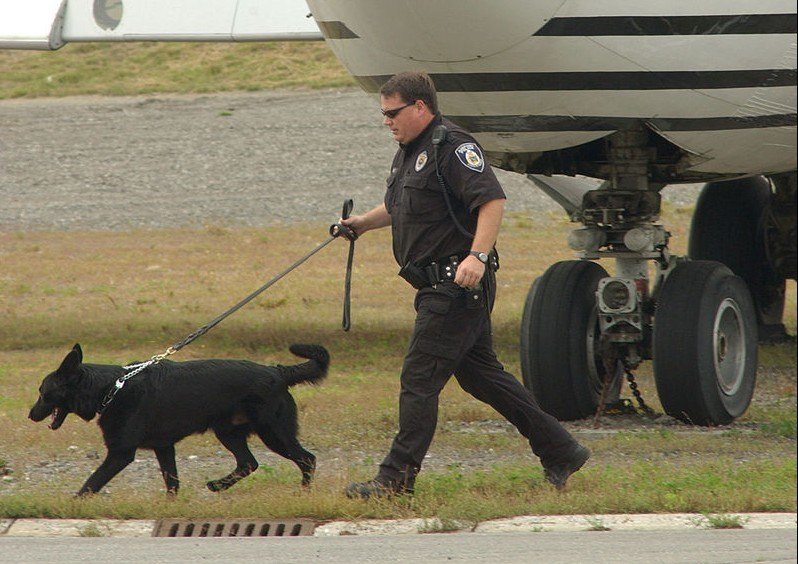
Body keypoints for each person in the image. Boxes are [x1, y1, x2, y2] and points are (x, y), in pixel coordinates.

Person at [341, 71, 590, 499]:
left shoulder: (453, 146)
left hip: (456, 284)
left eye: (392, 112)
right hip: (437, 284)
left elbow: (491, 200)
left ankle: (395, 480)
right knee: (482, 377)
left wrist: (476, 256)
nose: (386, 121)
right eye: (383, 113)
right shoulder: (410, 150)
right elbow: (401, 202)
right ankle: (561, 449)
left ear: (420, 107)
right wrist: (362, 224)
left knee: (419, 378)